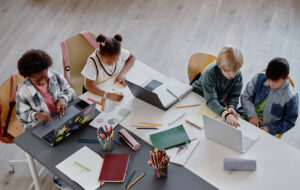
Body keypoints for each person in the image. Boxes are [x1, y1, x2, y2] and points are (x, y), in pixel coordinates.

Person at [16, 49, 75, 131]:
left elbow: (70, 91)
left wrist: (63, 99)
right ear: (28, 77)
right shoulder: (23, 92)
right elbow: (21, 115)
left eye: (45, 78)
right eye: (38, 81)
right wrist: (35, 115)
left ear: (47, 69)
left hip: (61, 117)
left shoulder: (55, 75)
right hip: (41, 126)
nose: (43, 82)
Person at [241, 57, 298, 135]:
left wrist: (269, 128)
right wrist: (252, 116)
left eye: (274, 82)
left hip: (266, 130)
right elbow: (245, 97)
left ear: (286, 78)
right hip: (247, 116)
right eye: (268, 79)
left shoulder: (291, 96)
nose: (270, 83)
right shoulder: (259, 78)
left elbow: (289, 121)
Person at [192, 45, 244, 127]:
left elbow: (234, 95)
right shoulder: (210, 72)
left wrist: (231, 107)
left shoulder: (238, 75)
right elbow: (211, 99)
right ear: (220, 65)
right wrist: (226, 115)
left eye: (235, 70)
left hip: (214, 103)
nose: (232, 74)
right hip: (197, 96)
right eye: (227, 71)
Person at [81, 33, 135, 102]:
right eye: (109, 62)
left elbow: (132, 57)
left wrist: (122, 73)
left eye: (116, 60)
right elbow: (89, 86)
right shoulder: (92, 62)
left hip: (109, 85)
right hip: (94, 91)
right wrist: (108, 95)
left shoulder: (117, 52)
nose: (112, 64)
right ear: (99, 54)